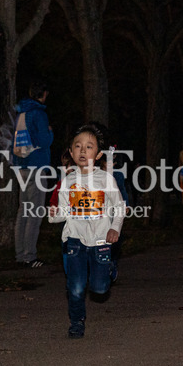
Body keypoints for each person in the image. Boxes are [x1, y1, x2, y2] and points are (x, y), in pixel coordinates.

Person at [48, 123, 124, 338]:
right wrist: (53, 215)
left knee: (99, 289)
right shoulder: (67, 182)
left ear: (98, 154)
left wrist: (114, 228)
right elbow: (63, 211)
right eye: (78, 146)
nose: (83, 151)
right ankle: (77, 321)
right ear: (71, 153)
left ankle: (109, 268)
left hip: (101, 240)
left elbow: (119, 207)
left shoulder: (105, 179)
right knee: (77, 287)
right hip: (75, 241)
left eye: (89, 147)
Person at [11, 79, 53, 268]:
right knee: (34, 212)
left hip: (22, 166)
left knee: (23, 211)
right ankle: (30, 256)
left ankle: (20, 254)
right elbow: (44, 140)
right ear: (43, 94)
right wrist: (51, 133)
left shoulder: (21, 112)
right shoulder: (38, 114)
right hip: (37, 165)